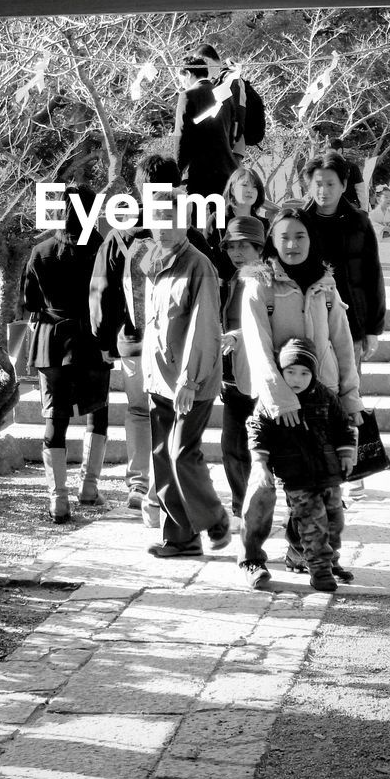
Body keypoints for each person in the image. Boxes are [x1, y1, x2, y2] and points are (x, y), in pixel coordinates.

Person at [236, 204, 363, 573]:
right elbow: (257, 347)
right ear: (272, 241)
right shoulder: (259, 284)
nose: (292, 244)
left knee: (320, 490)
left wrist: (349, 396)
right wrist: (280, 397)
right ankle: (251, 558)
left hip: (321, 402)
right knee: (263, 487)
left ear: (312, 238)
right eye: (284, 237)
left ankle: (304, 551)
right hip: (277, 404)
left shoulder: (326, 284)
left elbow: (342, 342)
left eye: (300, 236)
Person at [90, 154, 215, 521]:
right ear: (177, 188)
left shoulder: (120, 234)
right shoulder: (185, 235)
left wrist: (103, 340)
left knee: (138, 411)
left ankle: (138, 482)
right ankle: (169, 484)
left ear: (139, 189)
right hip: (176, 345)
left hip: (132, 340)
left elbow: (102, 289)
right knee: (173, 415)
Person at [141, 186, 232, 558]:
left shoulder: (199, 265)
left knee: (181, 452)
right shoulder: (152, 261)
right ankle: (180, 538)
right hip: (158, 375)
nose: (162, 227)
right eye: (156, 218)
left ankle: (215, 519)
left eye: (171, 219)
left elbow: (203, 326)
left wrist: (189, 381)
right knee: (162, 456)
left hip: (189, 380)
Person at [238, 336, 358, 592]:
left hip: (328, 472)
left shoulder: (324, 396)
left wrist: (346, 453)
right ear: (281, 372)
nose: (297, 378)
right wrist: (260, 462)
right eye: (290, 372)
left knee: (335, 521)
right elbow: (257, 429)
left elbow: (342, 425)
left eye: (304, 373)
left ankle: (309, 556)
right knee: (313, 521)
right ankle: (320, 571)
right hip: (296, 475)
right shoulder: (272, 399)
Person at [23, 185, 112, 523]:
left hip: (50, 341)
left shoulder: (40, 251)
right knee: (97, 412)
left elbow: (30, 303)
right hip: (90, 339)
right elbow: (110, 297)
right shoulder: (100, 250)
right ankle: (88, 487)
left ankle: (57, 499)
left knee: (54, 419)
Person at [300, 151, 386, 371]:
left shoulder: (359, 222)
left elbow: (372, 275)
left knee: (350, 392)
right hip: (306, 323)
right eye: (318, 184)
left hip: (351, 322)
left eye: (330, 184)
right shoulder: (297, 222)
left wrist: (372, 329)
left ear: (343, 184)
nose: (323, 191)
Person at [218, 213, 266, 518]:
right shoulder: (233, 277)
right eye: (231, 247)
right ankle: (242, 507)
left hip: (259, 377)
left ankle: (255, 506)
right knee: (231, 447)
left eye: (243, 247)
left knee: (255, 449)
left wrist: (236, 336)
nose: (236, 253)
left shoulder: (266, 279)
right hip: (233, 375)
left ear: (259, 248)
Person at [172, 54, 238, 198]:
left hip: (201, 170)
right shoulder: (225, 94)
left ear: (188, 74)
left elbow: (182, 135)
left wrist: (177, 170)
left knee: (198, 218)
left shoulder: (187, 95)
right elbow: (233, 132)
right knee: (222, 217)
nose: (181, 83)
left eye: (181, 78)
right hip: (227, 167)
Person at [327, 137, 368, 211]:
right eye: (327, 153)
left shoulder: (352, 167)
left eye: (331, 152)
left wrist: (364, 210)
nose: (329, 156)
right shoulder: (326, 168)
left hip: (350, 207)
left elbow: (360, 189)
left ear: (339, 151)